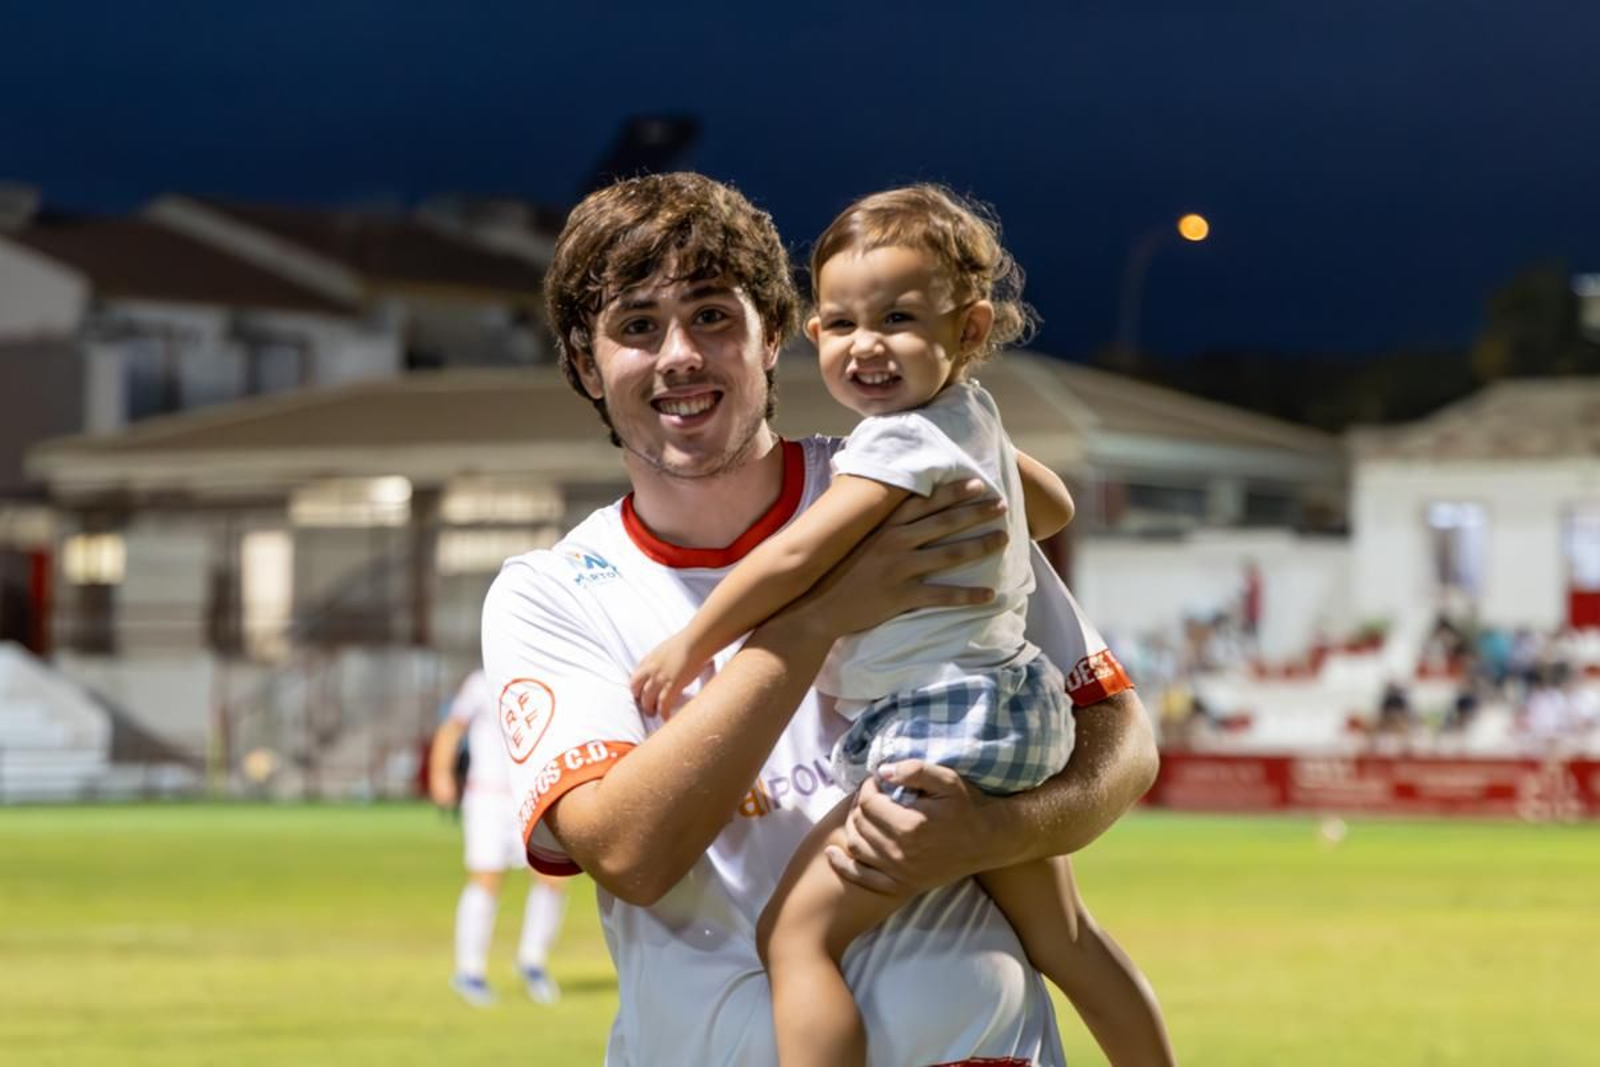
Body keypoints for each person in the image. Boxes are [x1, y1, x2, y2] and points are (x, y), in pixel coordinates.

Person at [481, 172, 1161, 1065]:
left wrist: (998, 830)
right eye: (637, 327)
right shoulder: (553, 590)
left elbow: (1122, 740)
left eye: (713, 315)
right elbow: (631, 853)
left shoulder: (915, 484)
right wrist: (813, 622)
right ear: (584, 364)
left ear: (772, 336)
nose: (680, 354)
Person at [427, 668, 566, 1007]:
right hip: (488, 797)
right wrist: (440, 774)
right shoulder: (480, 681)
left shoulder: (549, 672)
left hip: (532, 795)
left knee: (551, 878)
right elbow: (451, 729)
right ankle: (469, 970)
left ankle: (533, 962)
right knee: (486, 879)